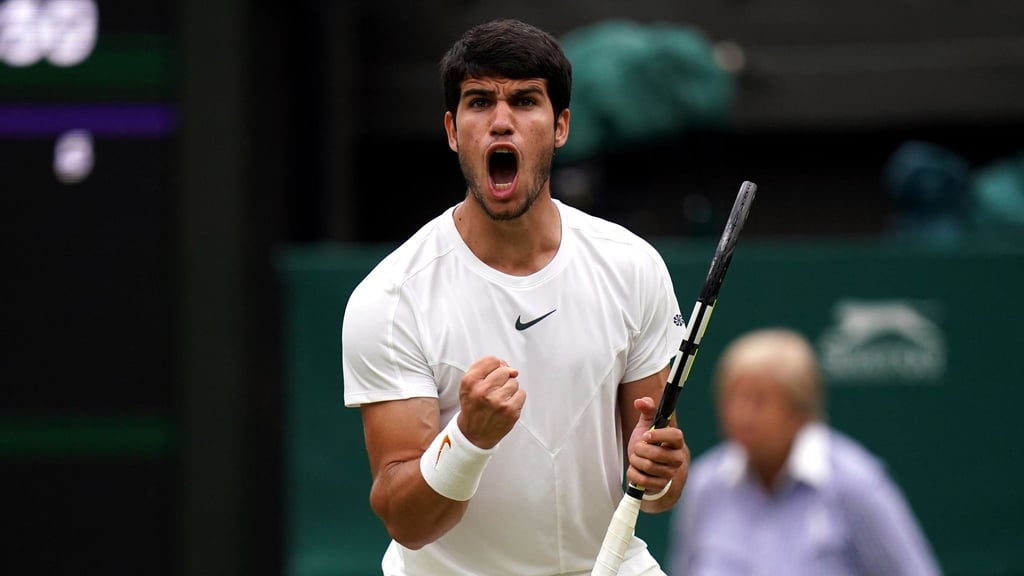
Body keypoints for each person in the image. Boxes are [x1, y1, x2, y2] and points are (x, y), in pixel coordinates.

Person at [341, 17, 691, 576]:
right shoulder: (389, 297)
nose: (502, 122)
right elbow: (406, 521)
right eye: (480, 102)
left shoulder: (633, 266)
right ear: (454, 131)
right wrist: (469, 438)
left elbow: (659, 489)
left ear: (561, 127)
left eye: (526, 101)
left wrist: (662, 471)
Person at [667, 328, 942, 576]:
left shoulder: (856, 482)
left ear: (799, 410)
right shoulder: (704, 484)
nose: (741, 416)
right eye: (732, 398)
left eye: (758, 401)